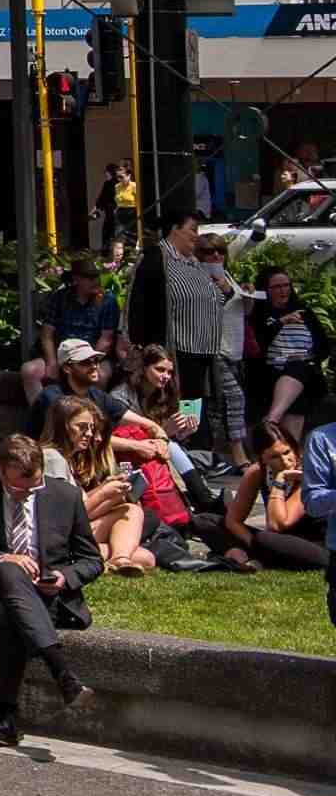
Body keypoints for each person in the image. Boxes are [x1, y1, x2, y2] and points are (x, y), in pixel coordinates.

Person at [0, 432, 99, 748]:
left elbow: (92, 560)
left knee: (5, 615)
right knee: (7, 570)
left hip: (44, 596)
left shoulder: (65, 496)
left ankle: (6, 718)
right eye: (18, 487)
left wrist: (64, 577)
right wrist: (2, 557)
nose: (26, 494)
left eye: (34, 487)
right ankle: (61, 670)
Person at [153, 209, 251, 472]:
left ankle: (196, 455)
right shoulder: (159, 259)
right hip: (179, 347)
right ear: (175, 229)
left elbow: (214, 301)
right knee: (180, 399)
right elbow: (143, 303)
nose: (196, 236)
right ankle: (184, 455)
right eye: (192, 230)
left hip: (202, 348)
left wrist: (227, 291)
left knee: (195, 402)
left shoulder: (192, 263)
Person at [200, 420, 331, 572]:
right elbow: (233, 521)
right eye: (274, 457)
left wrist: (279, 482)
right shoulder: (257, 472)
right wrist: (252, 543)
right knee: (205, 521)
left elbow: (278, 524)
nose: (284, 461)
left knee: (265, 538)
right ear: (262, 459)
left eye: (287, 452)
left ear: (295, 449)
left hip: (317, 544)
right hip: (277, 540)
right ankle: (257, 556)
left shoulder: (307, 472)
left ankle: (246, 557)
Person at [48, 397, 155, 575]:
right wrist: (105, 493)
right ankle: (116, 559)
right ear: (63, 426)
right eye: (82, 427)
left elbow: (79, 504)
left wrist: (105, 487)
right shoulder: (52, 459)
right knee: (132, 513)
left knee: (147, 557)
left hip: (71, 534)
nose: (89, 434)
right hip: (58, 539)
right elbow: (66, 518)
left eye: (91, 428)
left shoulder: (65, 460)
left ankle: (120, 559)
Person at [247, 261, 329, 435]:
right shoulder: (258, 314)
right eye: (276, 287)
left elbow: (323, 346)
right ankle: (279, 433)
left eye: (286, 285)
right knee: (296, 394)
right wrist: (280, 323)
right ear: (266, 290)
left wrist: (310, 357)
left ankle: (272, 421)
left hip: (304, 371)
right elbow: (255, 345)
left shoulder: (304, 312)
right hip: (269, 372)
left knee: (300, 368)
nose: (283, 290)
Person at [26, 256, 126, 395]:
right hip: (62, 355)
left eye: (96, 277)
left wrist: (86, 363)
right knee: (30, 371)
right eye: (89, 277)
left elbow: (106, 340)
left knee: (99, 376)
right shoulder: (60, 298)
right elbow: (47, 334)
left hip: (94, 355)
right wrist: (52, 362)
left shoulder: (107, 301)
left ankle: (93, 414)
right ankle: (42, 414)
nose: (95, 281)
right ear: (76, 279)